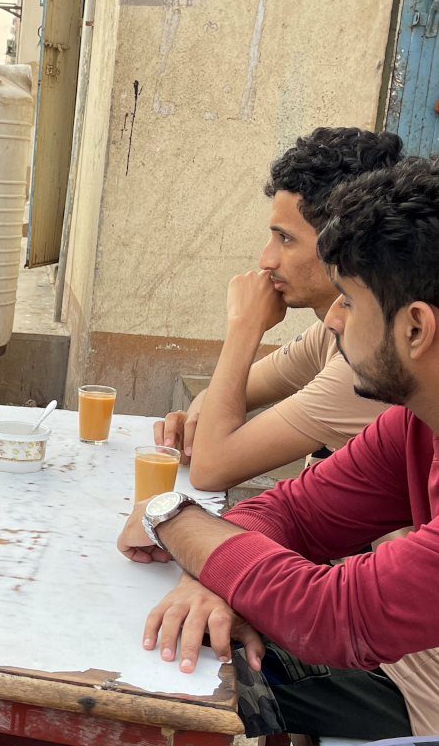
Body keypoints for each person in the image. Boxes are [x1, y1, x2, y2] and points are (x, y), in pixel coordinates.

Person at [118, 155, 439, 746]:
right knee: (159, 655)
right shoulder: (413, 419)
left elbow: (331, 612)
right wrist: (210, 575)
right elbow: (293, 510)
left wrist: (170, 515)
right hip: (404, 665)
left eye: (350, 299)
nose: (333, 317)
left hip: (416, 695)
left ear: (415, 328)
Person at [155, 128, 401, 488]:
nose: (265, 259)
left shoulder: (365, 364)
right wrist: (197, 422)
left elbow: (211, 469)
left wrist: (243, 327)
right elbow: (215, 398)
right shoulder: (330, 332)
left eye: (285, 238)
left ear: (342, 243)